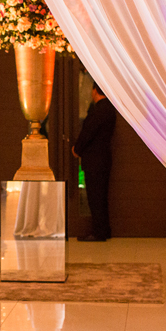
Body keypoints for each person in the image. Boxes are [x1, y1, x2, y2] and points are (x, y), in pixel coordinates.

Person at [72, 81, 117, 241]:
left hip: (94, 161)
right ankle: (104, 230)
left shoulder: (98, 110)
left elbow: (88, 132)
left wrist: (77, 149)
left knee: (95, 197)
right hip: (104, 159)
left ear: (95, 91)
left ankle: (98, 232)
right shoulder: (110, 110)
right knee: (102, 197)